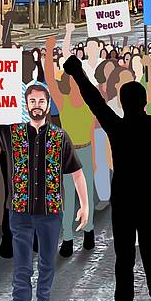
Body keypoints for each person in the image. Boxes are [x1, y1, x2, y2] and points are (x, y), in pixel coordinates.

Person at [63, 50, 151, 301]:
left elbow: (93, 101)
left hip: (122, 202)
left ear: (121, 102)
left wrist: (77, 73)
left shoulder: (116, 126)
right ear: (145, 102)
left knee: (124, 259)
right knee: (150, 254)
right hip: (148, 201)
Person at [0, 77, 89, 301]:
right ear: (26, 104)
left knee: (47, 262)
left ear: (48, 105)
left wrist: (85, 205)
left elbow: (77, 172)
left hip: (50, 211)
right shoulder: (12, 133)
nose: (37, 105)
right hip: (20, 211)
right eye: (32, 101)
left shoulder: (60, 137)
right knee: (22, 268)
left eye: (41, 101)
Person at [48, 25, 98, 257]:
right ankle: (67, 238)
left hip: (86, 151)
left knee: (88, 193)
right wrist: (49, 52)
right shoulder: (64, 99)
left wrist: (96, 158)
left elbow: (91, 131)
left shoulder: (90, 102)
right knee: (67, 197)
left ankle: (89, 231)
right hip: (66, 153)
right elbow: (49, 78)